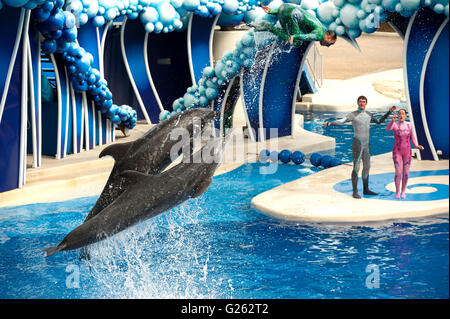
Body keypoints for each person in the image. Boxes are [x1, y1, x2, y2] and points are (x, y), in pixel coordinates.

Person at [324, 96, 396, 199]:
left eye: (364, 102)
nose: (362, 103)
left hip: (367, 144)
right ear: (358, 103)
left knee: (367, 166)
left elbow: (379, 121)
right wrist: (330, 123)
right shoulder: (353, 115)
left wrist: (389, 112)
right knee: (356, 167)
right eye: (360, 102)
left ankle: (366, 189)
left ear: (366, 103)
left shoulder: (368, 114)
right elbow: (342, 121)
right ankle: (355, 191)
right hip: (357, 143)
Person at [256, 3, 337, 47]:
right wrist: (294, 37)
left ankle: (269, 24)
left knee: (288, 33)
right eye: (330, 43)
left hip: (284, 7)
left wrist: (272, 11)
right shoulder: (320, 35)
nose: (328, 46)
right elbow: (306, 37)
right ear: (329, 37)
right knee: (296, 43)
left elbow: (302, 12)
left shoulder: (321, 27)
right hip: (292, 15)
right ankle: (268, 26)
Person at [386, 108, 424, 199]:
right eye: (399, 114)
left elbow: (412, 138)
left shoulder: (409, 125)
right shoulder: (394, 125)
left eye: (403, 114)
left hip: (407, 152)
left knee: (406, 173)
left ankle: (403, 191)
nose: (401, 115)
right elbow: (388, 129)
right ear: (398, 115)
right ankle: (397, 191)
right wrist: (392, 121)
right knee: (398, 172)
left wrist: (417, 146)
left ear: (406, 115)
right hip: (397, 151)